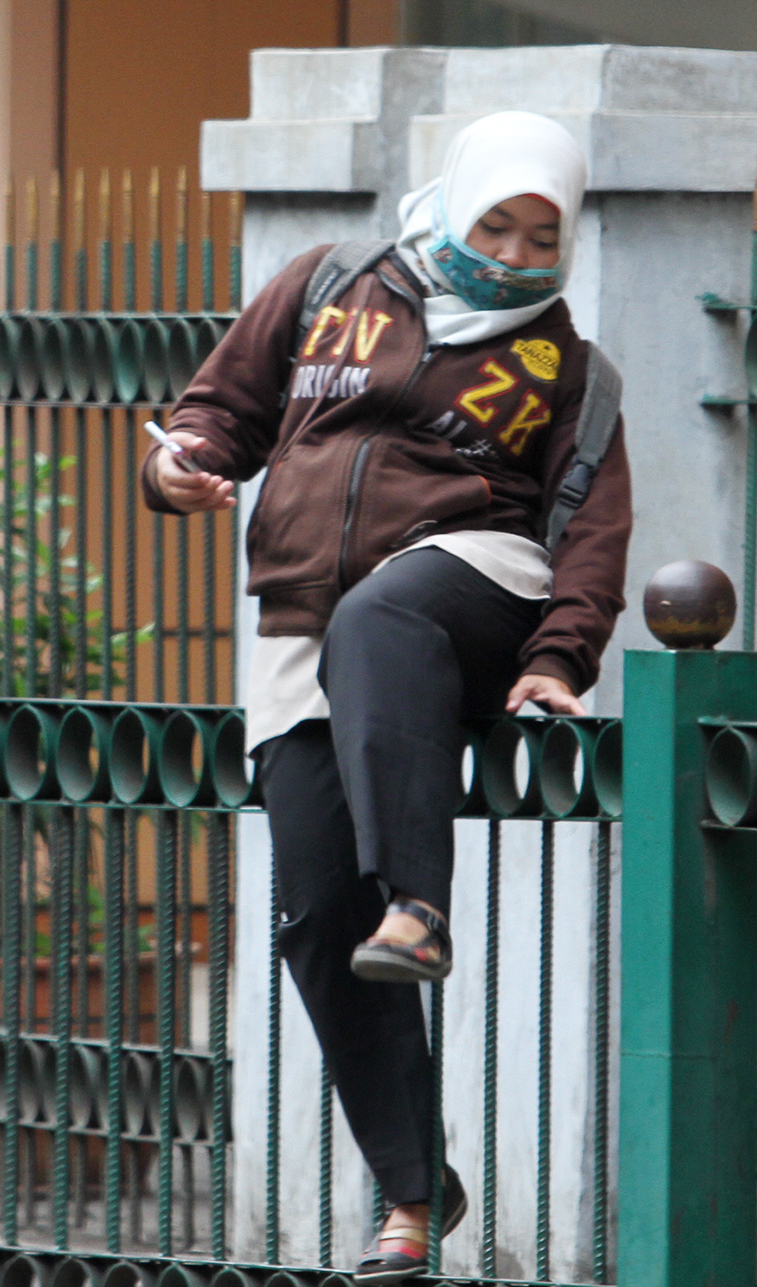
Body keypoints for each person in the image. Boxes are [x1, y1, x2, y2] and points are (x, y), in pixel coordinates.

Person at [142, 112, 629, 1283]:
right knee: (314, 911)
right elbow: (219, 408)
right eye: (493, 224)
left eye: (536, 233)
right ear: (453, 201)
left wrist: (557, 656)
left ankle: (421, 905)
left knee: (387, 612)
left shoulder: (565, 368)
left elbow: (592, 530)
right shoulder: (325, 286)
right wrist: (178, 466)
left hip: (468, 581)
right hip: (300, 616)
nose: (511, 252)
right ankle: (411, 1196)